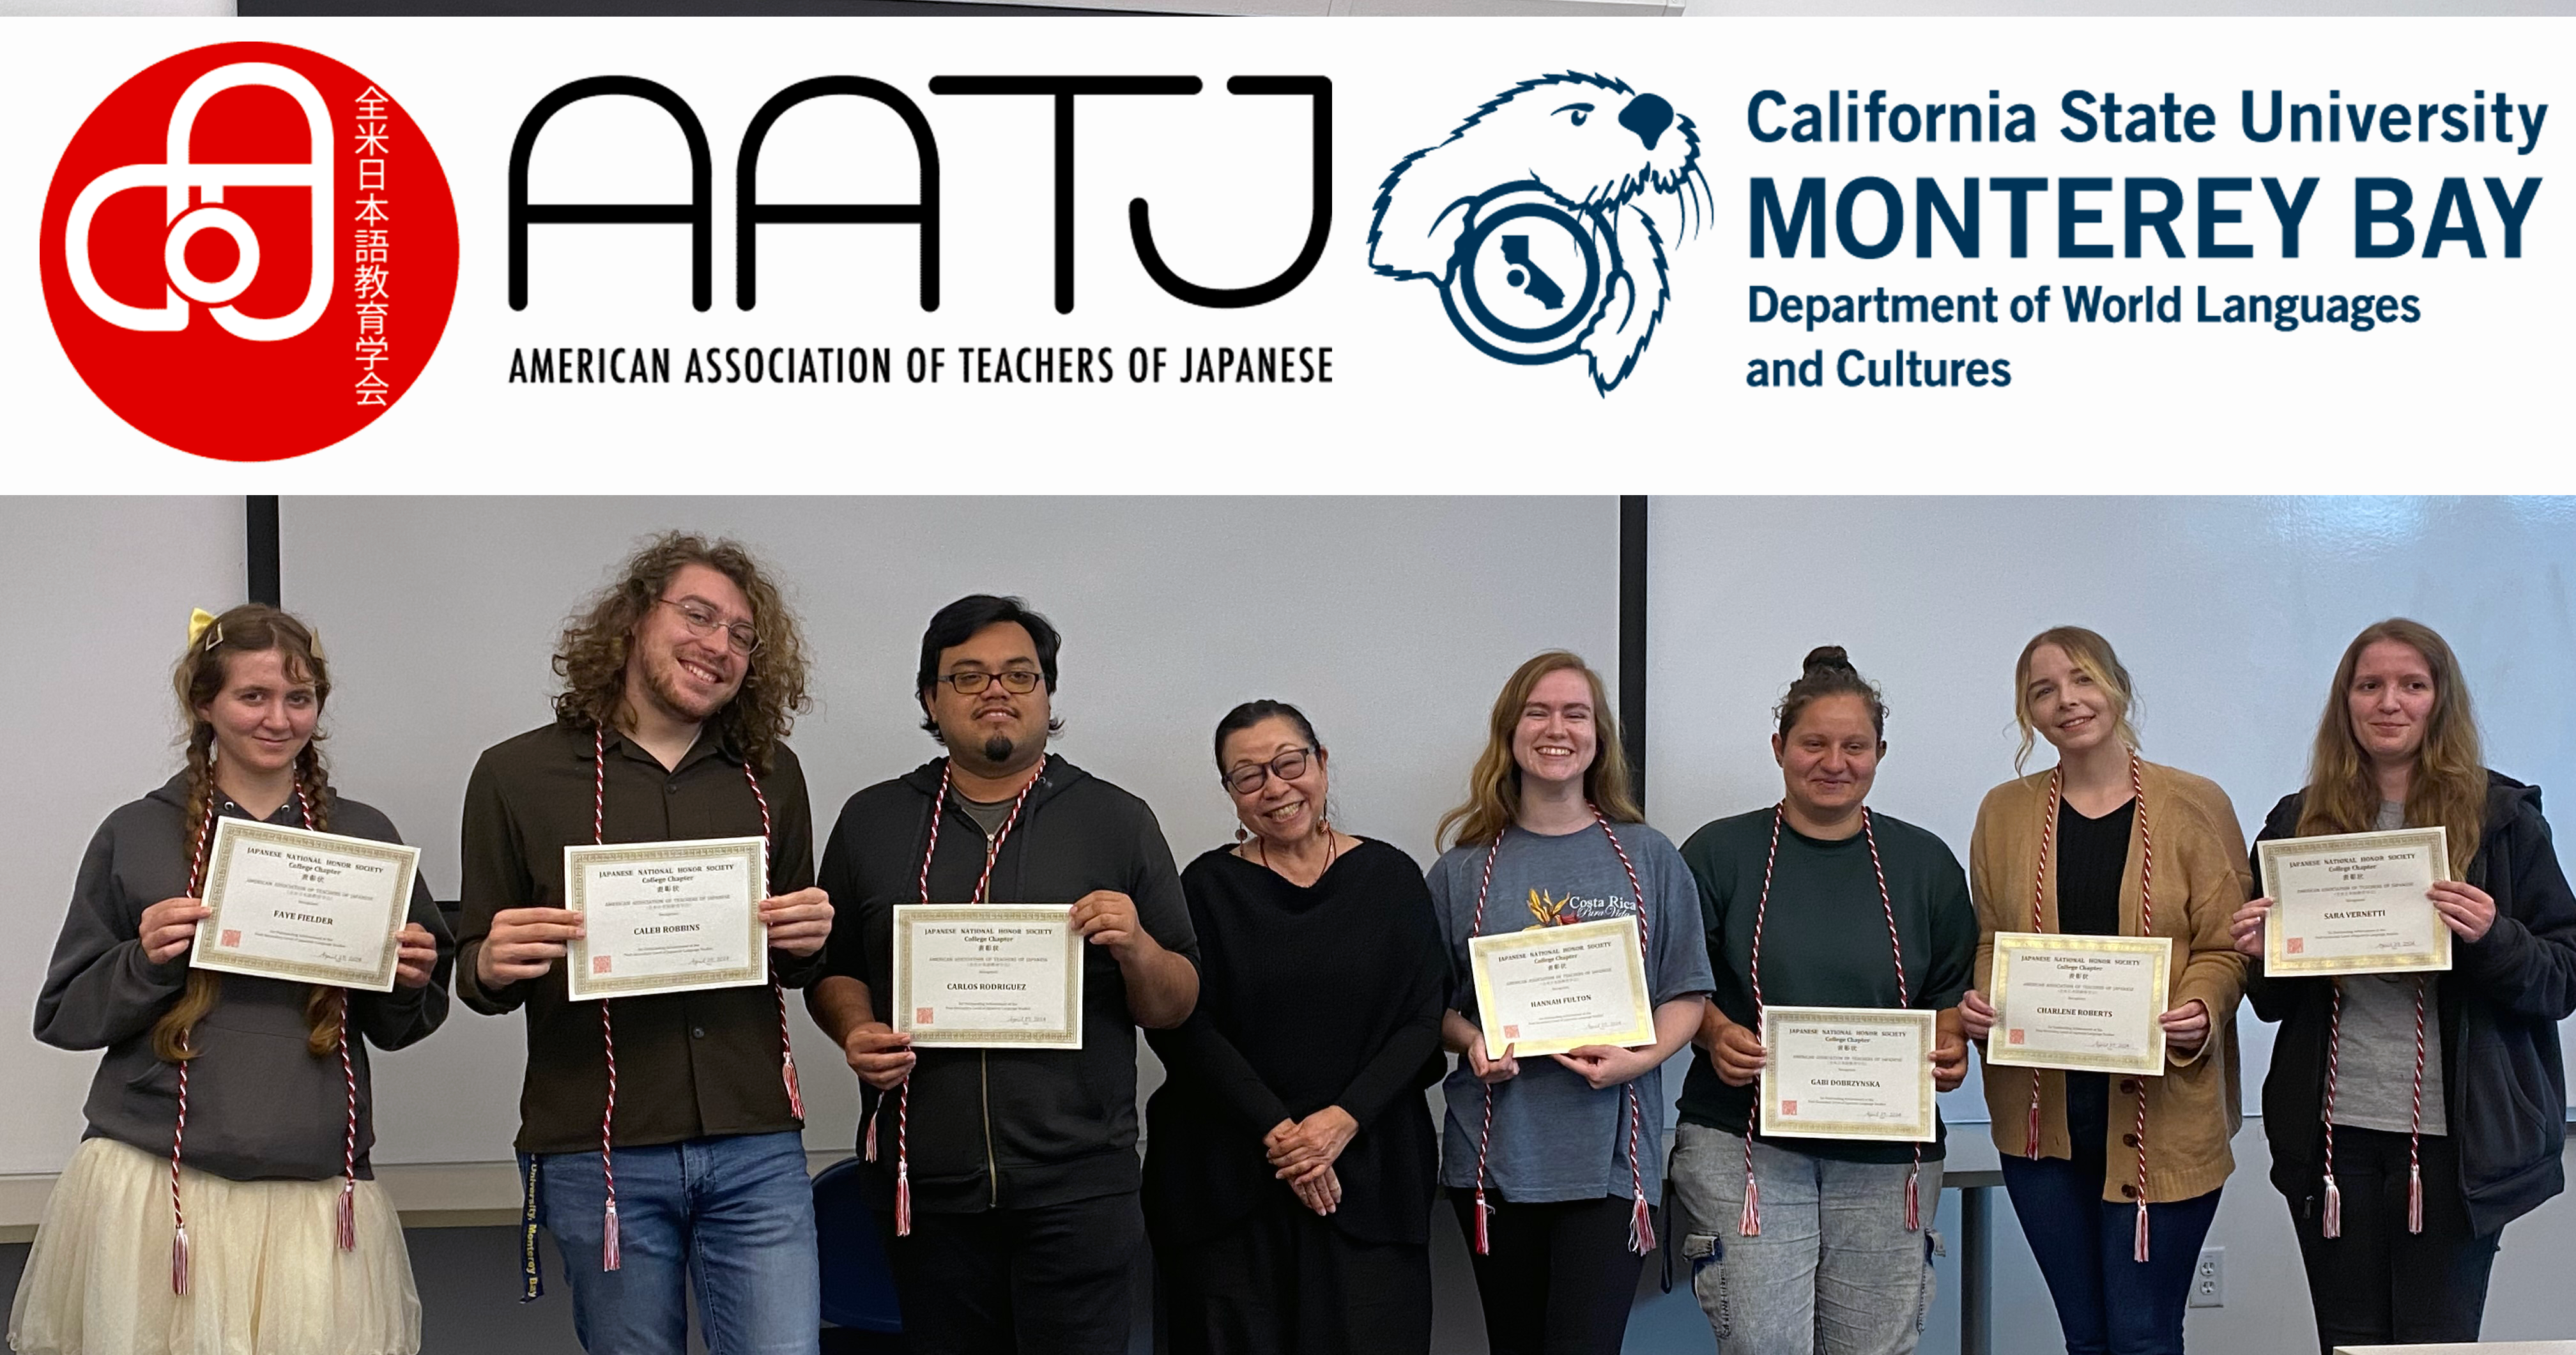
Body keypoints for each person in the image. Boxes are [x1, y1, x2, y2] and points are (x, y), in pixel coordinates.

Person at [12, 604, 450, 1355]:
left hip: (317, 1192)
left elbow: (401, 1026)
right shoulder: (134, 831)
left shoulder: (365, 837)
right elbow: (63, 1015)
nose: (279, 719)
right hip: (157, 1187)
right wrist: (143, 960)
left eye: (300, 698)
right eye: (253, 697)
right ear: (204, 704)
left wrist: (410, 979)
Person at [455, 533, 835, 1355]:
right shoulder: (515, 775)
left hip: (757, 1143)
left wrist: (808, 940)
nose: (719, 646)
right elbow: (475, 965)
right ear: (632, 620)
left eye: (742, 635)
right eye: (698, 616)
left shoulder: (772, 774)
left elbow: (798, 958)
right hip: (601, 1148)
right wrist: (487, 962)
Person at [809, 594, 1200, 1355]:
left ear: (1047, 695)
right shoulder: (873, 819)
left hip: (1080, 1186)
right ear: (930, 697)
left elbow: (1178, 1002)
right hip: (924, 1186)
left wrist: (1137, 948)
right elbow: (834, 970)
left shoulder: (1117, 819)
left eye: (1020, 675)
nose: (997, 690)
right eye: (969, 675)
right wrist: (855, 1029)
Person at [2227, 618, 2576, 1352]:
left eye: (2412, 686)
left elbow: (2563, 976)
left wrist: (2495, 936)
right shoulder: (2297, 823)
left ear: (2438, 702)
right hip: (2331, 1137)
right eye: (2371, 685)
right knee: (2348, 1341)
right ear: (2346, 703)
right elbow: (2273, 1004)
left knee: (2435, 1343)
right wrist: (2261, 953)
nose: (2390, 702)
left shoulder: (2504, 821)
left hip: (2457, 1146)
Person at [1666, 645, 1974, 1355]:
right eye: (1814, 743)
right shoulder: (1719, 853)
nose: (1834, 762)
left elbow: (1952, 989)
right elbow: (1679, 981)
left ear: (1879, 753)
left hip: (1888, 1151)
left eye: (1854, 746)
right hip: (1743, 1143)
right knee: (1765, 1344)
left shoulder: (1924, 863)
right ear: (1779, 748)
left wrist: (1951, 1043)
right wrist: (1715, 1034)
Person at [1956, 627, 2249, 1355]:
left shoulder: (2195, 804)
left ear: (2116, 685)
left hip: (2165, 1119)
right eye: (2043, 691)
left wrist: (2200, 1010)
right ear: (2028, 714)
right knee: (2085, 1337)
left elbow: (2225, 945)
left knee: (2144, 1334)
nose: (2067, 701)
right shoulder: (2003, 812)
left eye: (2081, 679)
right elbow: (1993, 938)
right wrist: (1985, 1002)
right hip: (2041, 1122)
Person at [1427, 651, 1711, 1355]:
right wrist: (1470, 1043)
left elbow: (1688, 994)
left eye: (1575, 713)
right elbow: (1430, 1004)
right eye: (1539, 711)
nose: (1557, 729)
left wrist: (1635, 1060)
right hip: (1496, 1156)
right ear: (1510, 731)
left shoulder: (1649, 856)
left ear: (1598, 736)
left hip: (1614, 1154)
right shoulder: (1461, 868)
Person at [1143, 701, 1445, 1355]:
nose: (1276, 788)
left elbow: (1423, 1020)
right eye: (1249, 776)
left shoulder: (1392, 878)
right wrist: (1283, 1136)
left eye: (1289, 764)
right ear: (1230, 793)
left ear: (1322, 763)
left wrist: (1341, 1121)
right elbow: (1182, 1026)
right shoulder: (1203, 887)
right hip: (1227, 1190)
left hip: (1371, 1182)